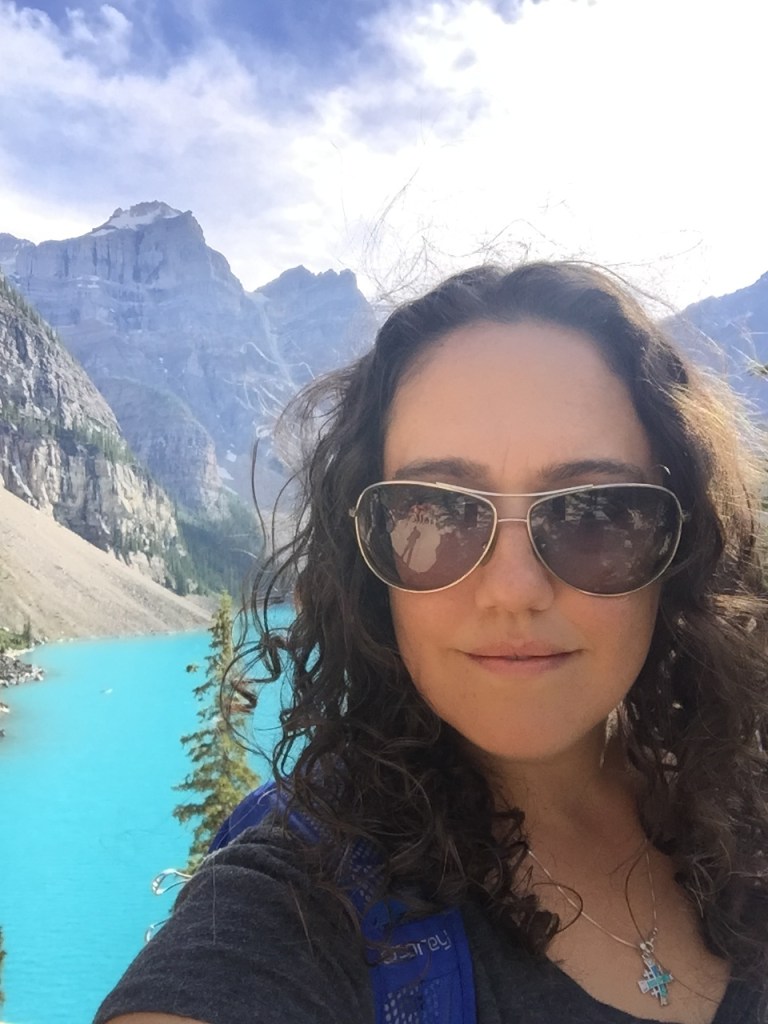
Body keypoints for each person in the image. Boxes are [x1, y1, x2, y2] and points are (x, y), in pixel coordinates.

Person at [95, 262, 768, 1024]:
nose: (512, 589)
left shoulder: (743, 801)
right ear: (368, 561)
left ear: (680, 546)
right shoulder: (299, 902)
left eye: (594, 514)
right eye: (434, 514)